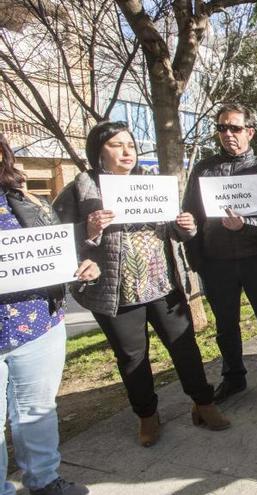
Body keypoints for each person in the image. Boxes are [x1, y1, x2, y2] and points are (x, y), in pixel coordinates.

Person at [53, 122, 231, 447]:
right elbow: (56, 238)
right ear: (98, 151)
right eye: (116, 145)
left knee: (185, 346)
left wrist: (185, 227)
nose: (126, 152)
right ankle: (147, 415)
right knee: (132, 357)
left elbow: (175, 232)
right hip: (116, 295)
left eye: (131, 145)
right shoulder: (82, 188)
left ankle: (203, 403)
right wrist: (88, 230)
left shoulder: (151, 184)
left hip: (162, 286)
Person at [1, 133, 99, 495]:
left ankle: (44, 482)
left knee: (36, 411)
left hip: (39, 324)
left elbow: (56, 251)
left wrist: (82, 267)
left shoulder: (27, 200)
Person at [181, 103, 257, 403]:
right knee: (226, 325)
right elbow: (190, 214)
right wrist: (189, 230)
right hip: (216, 262)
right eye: (222, 128)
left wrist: (245, 225)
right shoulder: (203, 169)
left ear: (250, 132)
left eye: (235, 127)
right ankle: (234, 378)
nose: (228, 133)